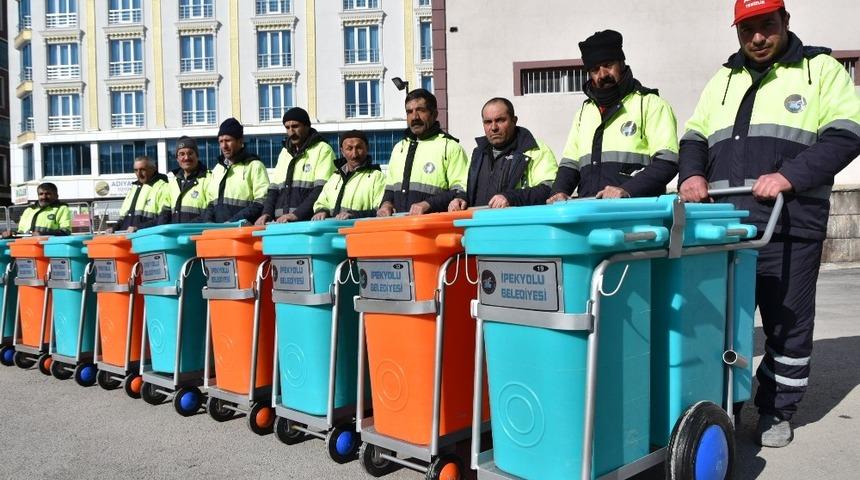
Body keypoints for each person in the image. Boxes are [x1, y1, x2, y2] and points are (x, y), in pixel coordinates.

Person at [677, 0, 860, 448]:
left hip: (789, 225)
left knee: (785, 326)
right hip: (724, 230)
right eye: (747, 30)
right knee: (722, 326)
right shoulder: (724, 78)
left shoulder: (820, 70)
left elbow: (847, 133)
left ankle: (777, 410)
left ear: (785, 21)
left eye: (767, 26)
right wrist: (692, 175)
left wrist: (789, 176)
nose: (757, 38)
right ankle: (726, 405)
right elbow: (695, 136)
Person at [546, 30, 679, 202]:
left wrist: (627, 189)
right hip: (589, 210)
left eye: (608, 65)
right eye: (595, 70)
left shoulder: (651, 104)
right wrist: (559, 191)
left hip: (636, 212)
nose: (602, 75)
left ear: (621, 63)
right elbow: (570, 164)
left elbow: (667, 162)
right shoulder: (583, 113)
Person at [447, 97, 557, 210]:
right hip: (479, 221)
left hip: (517, 221)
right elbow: (464, 188)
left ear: (514, 120)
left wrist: (511, 198)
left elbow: (549, 190)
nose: (493, 127)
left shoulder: (534, 150)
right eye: (488, 122)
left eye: (500, 120)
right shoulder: (477, 153)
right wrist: (460, 198)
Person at [377, 89, 469, 216]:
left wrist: (428, 204)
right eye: (409, 112)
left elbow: (461, 192)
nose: (414, 117)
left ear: (434, 114)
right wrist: (386, 204)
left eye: (420, 110)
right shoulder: (398, 148)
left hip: (434, 226)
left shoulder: (450, 147)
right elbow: (390, 189)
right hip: (400, 225)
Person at [256, 107, 335, 224]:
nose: (291, 131)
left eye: (295, 126)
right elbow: (273, 190)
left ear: (307, 126)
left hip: (308, 222)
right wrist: (266, 213)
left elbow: (322, 189)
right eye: (287, 127)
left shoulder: (323, 149)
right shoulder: (284, 152)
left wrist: (297, 215)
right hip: (281, 223)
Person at [199, 118, 270, 224]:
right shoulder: (218, 169)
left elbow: (261, 201)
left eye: (228, 140)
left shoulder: (254, 166)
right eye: (221, 141)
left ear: (240, 141)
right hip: (217, 231)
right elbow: (211, 203)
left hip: (242, 230)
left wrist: (233, 222)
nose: (224, 146)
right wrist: (208, 222)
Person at [312, 130, 385, 220]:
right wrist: (321, 211)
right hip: (333, 229)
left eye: (359, 148)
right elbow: (322, 202)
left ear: (367, 149)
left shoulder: (377, 177)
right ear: (342, 151)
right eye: (349, 149)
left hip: (359, 228)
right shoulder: (335, 177)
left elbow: (380, 211)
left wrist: (354, 215)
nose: (354, 154)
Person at [155, 136, 212, 224]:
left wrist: (185, 228)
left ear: (197, 155)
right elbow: (164, 214)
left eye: (190, 153)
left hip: (198, 232)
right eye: (182, 154)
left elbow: (211, 212)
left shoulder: (209, 179)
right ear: (177, 159)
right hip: (176, 233)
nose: (186, 158)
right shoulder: (172, 182)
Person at [111, 156, 168, 233]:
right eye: (136, 170)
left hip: (147, 237)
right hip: (128, 237)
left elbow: (164, 219)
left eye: (142, 170)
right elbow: (123, 218)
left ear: (153, 169)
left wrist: (139, 228)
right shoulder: (134, 188)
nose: (139, 174)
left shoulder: (163, 187)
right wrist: (113, 228)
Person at [2, 183, 71, 237]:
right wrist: (12, 234)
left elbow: (65, 231)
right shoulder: (29, 210)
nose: (44, 197)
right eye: (41, 194)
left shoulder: (62, 209)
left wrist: (43, 234)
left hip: (48, 247)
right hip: (27, 247)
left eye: (48, 194)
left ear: (56, 196)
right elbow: (21, 233)